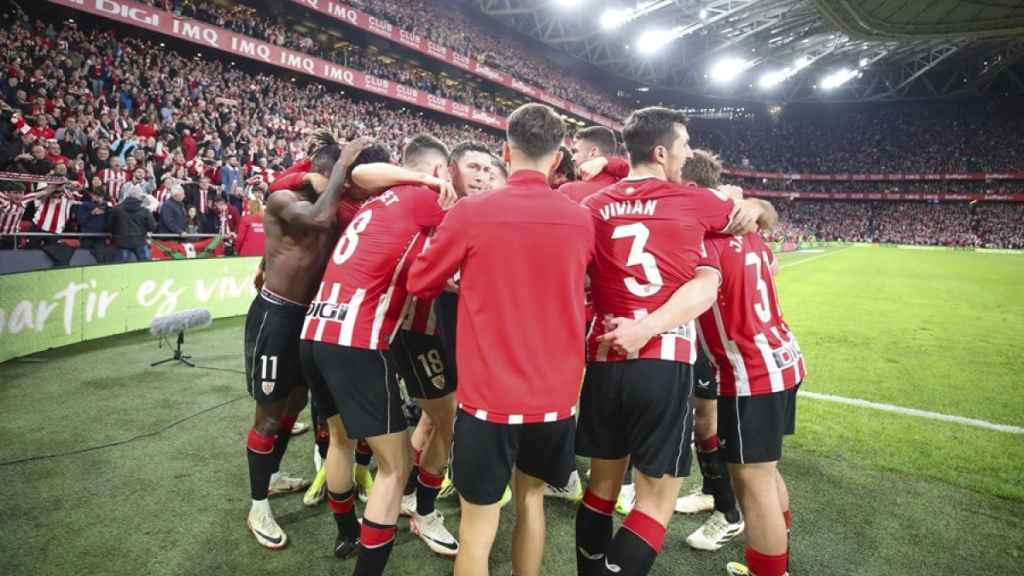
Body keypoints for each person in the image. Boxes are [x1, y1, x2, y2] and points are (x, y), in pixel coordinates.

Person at [574, 106, 766, 576]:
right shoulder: (694, 201)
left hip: (603, 355)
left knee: (601, 487)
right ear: (662, 152)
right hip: (661, 360)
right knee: (657, 498)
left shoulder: (592, 207)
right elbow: (750, 219)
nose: (686, 155)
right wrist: (752, 204)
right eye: (683, 147)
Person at [407, 103, 594, 576]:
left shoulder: (471, 212)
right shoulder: (581, 219)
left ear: (506, 152)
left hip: (487, 401)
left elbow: (419, 281)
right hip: (554, 401)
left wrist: (459, 275)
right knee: (530, 501)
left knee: (477, 525)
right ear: (556, 160)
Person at [299, 136, 453, 574]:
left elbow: (358, 174)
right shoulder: (428, 198)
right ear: (441, 172)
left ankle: (347, 533)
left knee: (341, 440)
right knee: (396, 464)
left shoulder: (380, 197)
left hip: (315, 331)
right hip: (356, 341)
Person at [242, 135, 373, 551]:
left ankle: (274, 474)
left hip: (306, 318)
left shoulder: (331, 199)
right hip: (276, 315)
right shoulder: (284, 197)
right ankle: (257, 505)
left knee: (292, 407)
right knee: (267, 414)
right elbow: (315, 220)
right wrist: (338, 170)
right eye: (339, 174)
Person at [695, 188, 801, 576]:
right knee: (766, 471)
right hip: (783, 358)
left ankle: (771, 571)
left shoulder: (706, 241)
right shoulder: (749, 231)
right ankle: (779, 557)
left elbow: (702, 292)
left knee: (754, 483)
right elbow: (768, 266)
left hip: (749, 373)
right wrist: (757, 208)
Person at [674, 150, 745, 551]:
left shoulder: (711, 226)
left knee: (710, 425)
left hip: (721, 344)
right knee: (707, 423)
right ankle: (714, 493)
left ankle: (729, 511)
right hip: (717, 340)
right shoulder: (730, 216)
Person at [559, 125, 625, 204]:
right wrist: (606, 161)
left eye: (575, 152)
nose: (572, 158)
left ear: (593, 152)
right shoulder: (626, 188)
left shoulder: (568, 190)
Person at [109, 188, 157, 262]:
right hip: (140, 242)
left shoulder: (117, 209)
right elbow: (153, 227)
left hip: (122, 242)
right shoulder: (145, 211)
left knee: (124, 269)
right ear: (140, 197)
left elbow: (109, 226)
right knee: (146, 267)